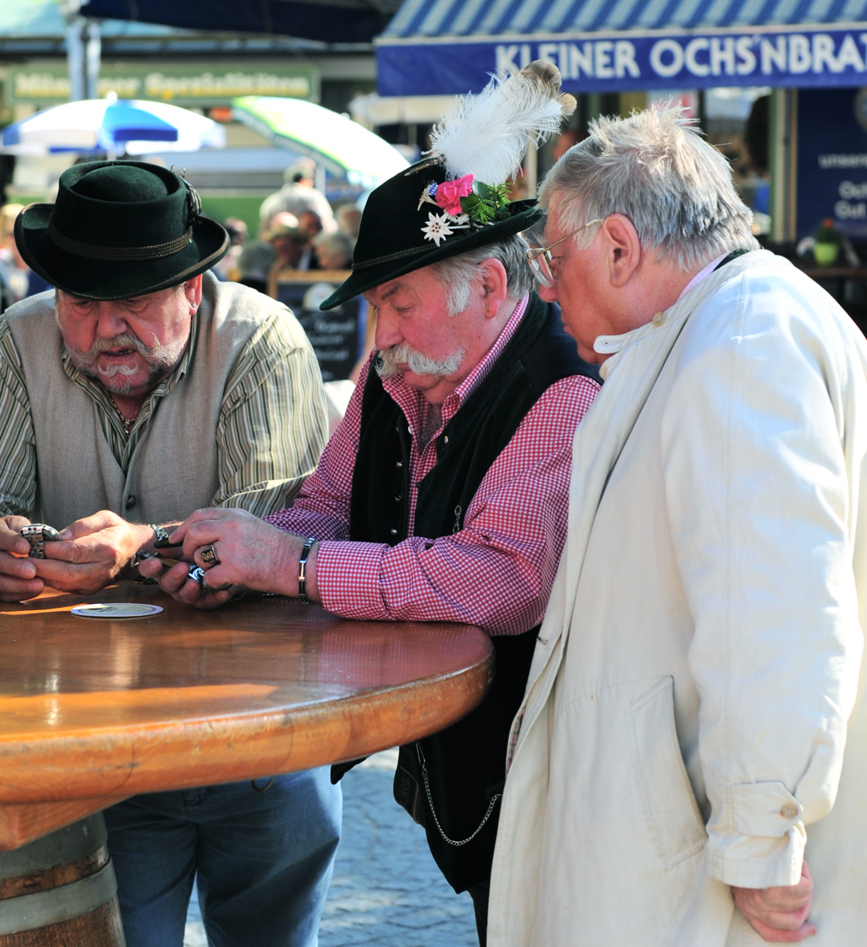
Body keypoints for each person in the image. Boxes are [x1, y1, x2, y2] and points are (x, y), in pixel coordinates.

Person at [141, 62, 600, 946]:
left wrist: (295, 567)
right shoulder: (393, 375)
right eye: (376, 305)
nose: (378, 333)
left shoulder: (559, 394)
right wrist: (239, 556)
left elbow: (498, 581)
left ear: (491, 291)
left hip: (543, 775)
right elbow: (329, 505)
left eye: (398, 302)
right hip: (458, 759)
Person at [0, 160, 341, 947]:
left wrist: (132, 545)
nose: (103, 328)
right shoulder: (16, 343)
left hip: (260, 732)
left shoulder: (262, 343)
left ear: (193, 288)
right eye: (82, 301)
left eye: (135, 302)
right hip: (85, 747)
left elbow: (270, 527)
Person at [486, 106, 867, 946]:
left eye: (552, 259)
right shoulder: (728, 326)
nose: (544, 287)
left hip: (709, 887)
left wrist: (763, 836)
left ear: (619, 247)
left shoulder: (740, 340)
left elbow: (777, 609)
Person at [258, 157, 335, 234]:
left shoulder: (272, 201)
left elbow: (263, 232)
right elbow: (328, 225)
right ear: (304, 181)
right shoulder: (314, 197)